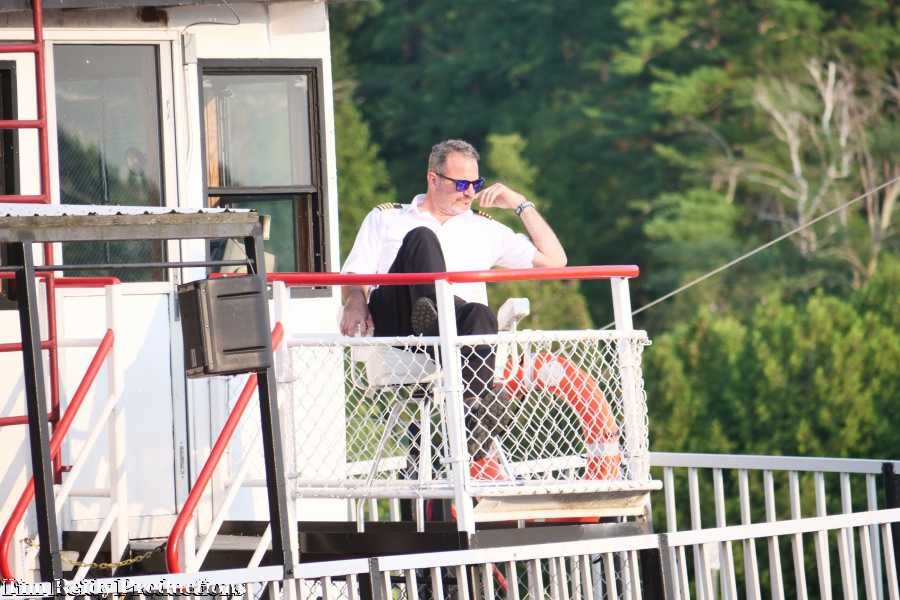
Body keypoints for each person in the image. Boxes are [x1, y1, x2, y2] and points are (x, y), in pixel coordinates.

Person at [340, 139, 567, 473]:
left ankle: (467, 417)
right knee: (421, 237)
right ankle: (470, 401)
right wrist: (355, 300)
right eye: (461, 184)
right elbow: (354, 273)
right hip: (400, 324)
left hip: (454, 336)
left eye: (476, 184)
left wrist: (520, 204)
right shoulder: (387, 218)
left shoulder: (485, 228)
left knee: (481, 314)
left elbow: (556, 261)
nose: (470, 193)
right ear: (433, 179)